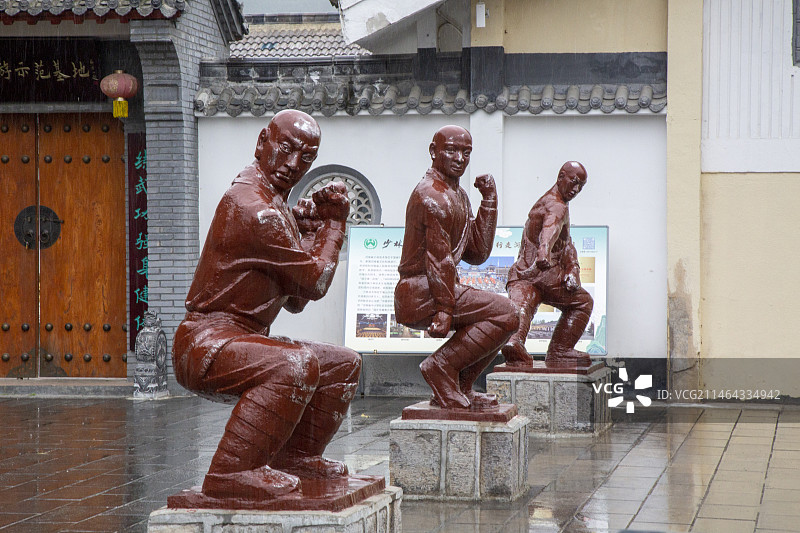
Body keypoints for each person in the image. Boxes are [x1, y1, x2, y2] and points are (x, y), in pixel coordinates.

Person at [172, 110, 361, 501]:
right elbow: (316, 282)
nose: (293, 165)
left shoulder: (275, 206)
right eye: (286, 149)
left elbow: (296, 301)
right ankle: (230, 472)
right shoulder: (255, 209)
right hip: (207, 342)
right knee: (296, 363)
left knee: (343, 364)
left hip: (239, 339)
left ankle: (297, 456)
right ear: (262, 143)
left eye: (306, 157)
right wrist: (335, 225)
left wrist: (308, 237)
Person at [394, 125, 518, 409]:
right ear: (433, 151)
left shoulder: (457, 194)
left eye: (466, 152)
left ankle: (460, 384)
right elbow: (439, 259)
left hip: (438, 288)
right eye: (451, 150)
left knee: (506, 318)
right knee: (507, 313)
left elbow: (476, 252)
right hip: (421, 290)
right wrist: (445, 309)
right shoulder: (432, 196)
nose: (460, 158)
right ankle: (440, 369)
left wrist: (489, 203)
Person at [501, 161, 594, 367]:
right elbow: (550, 229)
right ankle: (559, 350)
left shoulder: (555, 203)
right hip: (543, 274)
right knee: (583, 303)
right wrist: (544, 250)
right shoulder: (556, 205)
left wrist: (573, 268)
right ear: (561, 176)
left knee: (522, 306)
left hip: (522, 274)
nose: (577, 190)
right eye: (574, 182)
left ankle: (515, 342)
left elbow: (566, 243)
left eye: (581, 186)